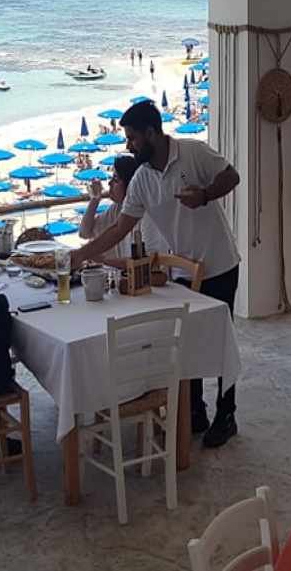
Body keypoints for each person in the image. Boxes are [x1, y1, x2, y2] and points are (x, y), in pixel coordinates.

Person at [69, 102, 241, 448]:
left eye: (132, 138)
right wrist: (81, 255)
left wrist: (204, 195)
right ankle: (195, 411)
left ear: (151, 133)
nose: (128, 145)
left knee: (220, 341)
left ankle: (227, 415)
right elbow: (119, 228)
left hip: (219, 262)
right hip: (181, 271)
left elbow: (232, 176)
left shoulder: (193, 152)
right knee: (187, 341)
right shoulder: (143, 179)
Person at [79, 155, 166, 261]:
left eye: (115, 179)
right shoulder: (118, 208)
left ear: (130, 184)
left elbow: (146, 261)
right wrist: (95, 200)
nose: (109, 183)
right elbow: (84, 233)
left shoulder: (147, 214)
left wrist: (103, 260)